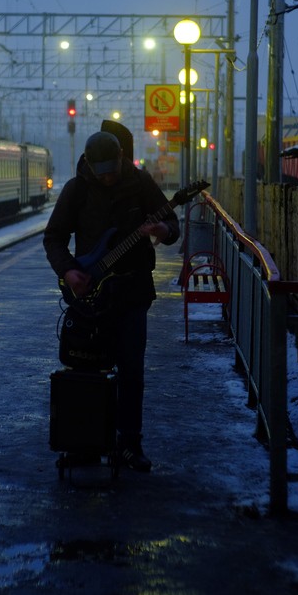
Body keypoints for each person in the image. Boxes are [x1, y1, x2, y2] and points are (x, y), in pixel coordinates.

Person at [43, 130, 180, 472]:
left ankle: (130, 443)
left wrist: (163, 232)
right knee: (87, 368)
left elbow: (171, 222)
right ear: (88, 164)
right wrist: (69, 272)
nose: (108, 176)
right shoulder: (76, 190)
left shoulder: (141, 184)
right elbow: (54, 238)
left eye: (112, 168)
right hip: (90, 297)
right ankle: (85, 442)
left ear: (122, 158)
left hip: (133, 294)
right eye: (101, 170)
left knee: (132, 371)